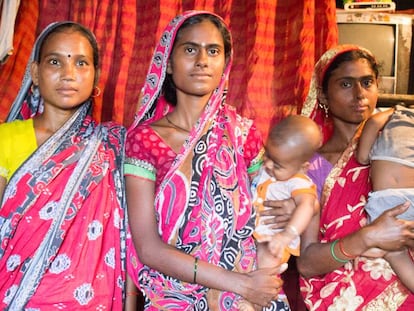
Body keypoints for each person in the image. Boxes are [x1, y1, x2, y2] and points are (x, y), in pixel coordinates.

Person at [124, 10, 290, 311]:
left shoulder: (242, 134)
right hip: (176, 296)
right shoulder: (145, 141)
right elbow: (147, 248)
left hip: (249, 296)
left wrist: (287, 209)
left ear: (224, 63)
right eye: (190, 49)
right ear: (169, 63)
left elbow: (271, 207)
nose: (202, 60)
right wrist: (239, 283)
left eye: (213, 51)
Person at [0, 22, 126, 309]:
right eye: (55, 61)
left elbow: (126, 243)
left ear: (96, 76)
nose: (69, 74)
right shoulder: (4, 138)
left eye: (81, 63)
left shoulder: (111, 146)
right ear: (34, 72)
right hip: (15, 297)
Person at [290, 44, 414, 310]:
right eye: (346, 84)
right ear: (323, 95)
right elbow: (308, 263)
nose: (360, 94)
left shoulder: (402, 143)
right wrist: (367, 237)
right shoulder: (312, 167)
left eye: (367, 82)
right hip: (342, 292)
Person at [238, 115, 321, 311]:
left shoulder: (298, 182)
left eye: (277, 165)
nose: (268, 165)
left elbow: (307, 206)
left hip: (275, 241)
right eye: (267, 155)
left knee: (265, 262)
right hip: (255, 233)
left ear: (302, 167)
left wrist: (287, 234)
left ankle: (255, 304)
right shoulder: (271, 167)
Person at [356, 104, 414, 291]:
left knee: (396, 254)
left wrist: (391, 111)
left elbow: (363, 155)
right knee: (397, 250)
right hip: (392, 204)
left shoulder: (391, 114)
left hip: (388, 203)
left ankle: (384, 252)